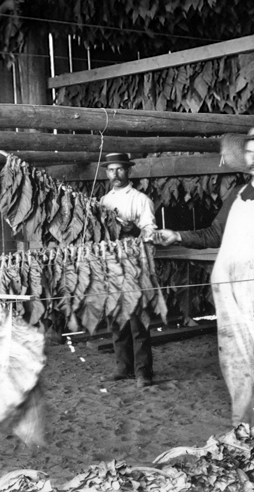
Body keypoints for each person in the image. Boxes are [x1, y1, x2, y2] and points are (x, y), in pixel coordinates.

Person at [156, 125, 254, 426]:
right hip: (228, 289)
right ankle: (245, 426)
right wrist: (175, 235)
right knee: (237, 360)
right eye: (249, 153)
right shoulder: (236, 194)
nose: (253, 159)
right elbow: (215, 234)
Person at [99, 152, 157, 389]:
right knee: (117, 319)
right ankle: (123, 367)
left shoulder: (140, 199)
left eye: (120, 169)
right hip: (112, 265)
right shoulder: (103, 201)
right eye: (111, 170)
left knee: (137, 321)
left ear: (128, 171)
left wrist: (133, 231)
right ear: (107, 173)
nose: (115, 174)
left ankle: (143, 372)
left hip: (135, 264)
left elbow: (149, 232)